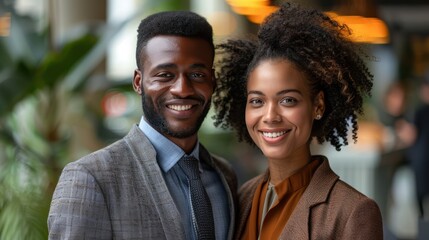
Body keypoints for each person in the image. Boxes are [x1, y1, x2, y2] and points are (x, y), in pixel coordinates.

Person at [48, 11, 237, 240]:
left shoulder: (224, 176)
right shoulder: (91, 178)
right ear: (139, 82)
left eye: (197, 74)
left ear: (213, 82)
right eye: (165, 75)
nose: (183, 89)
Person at [212, 2, 383, 239]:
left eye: (288, 100)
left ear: (318, 106)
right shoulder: (242, 197)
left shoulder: (352, 212)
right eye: (257, 101)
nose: (270, 116)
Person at [407, 71, 429, 218]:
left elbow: (411, 136)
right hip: (422, 158)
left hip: (422, 160)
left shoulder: (420, 111)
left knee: (421, 199)